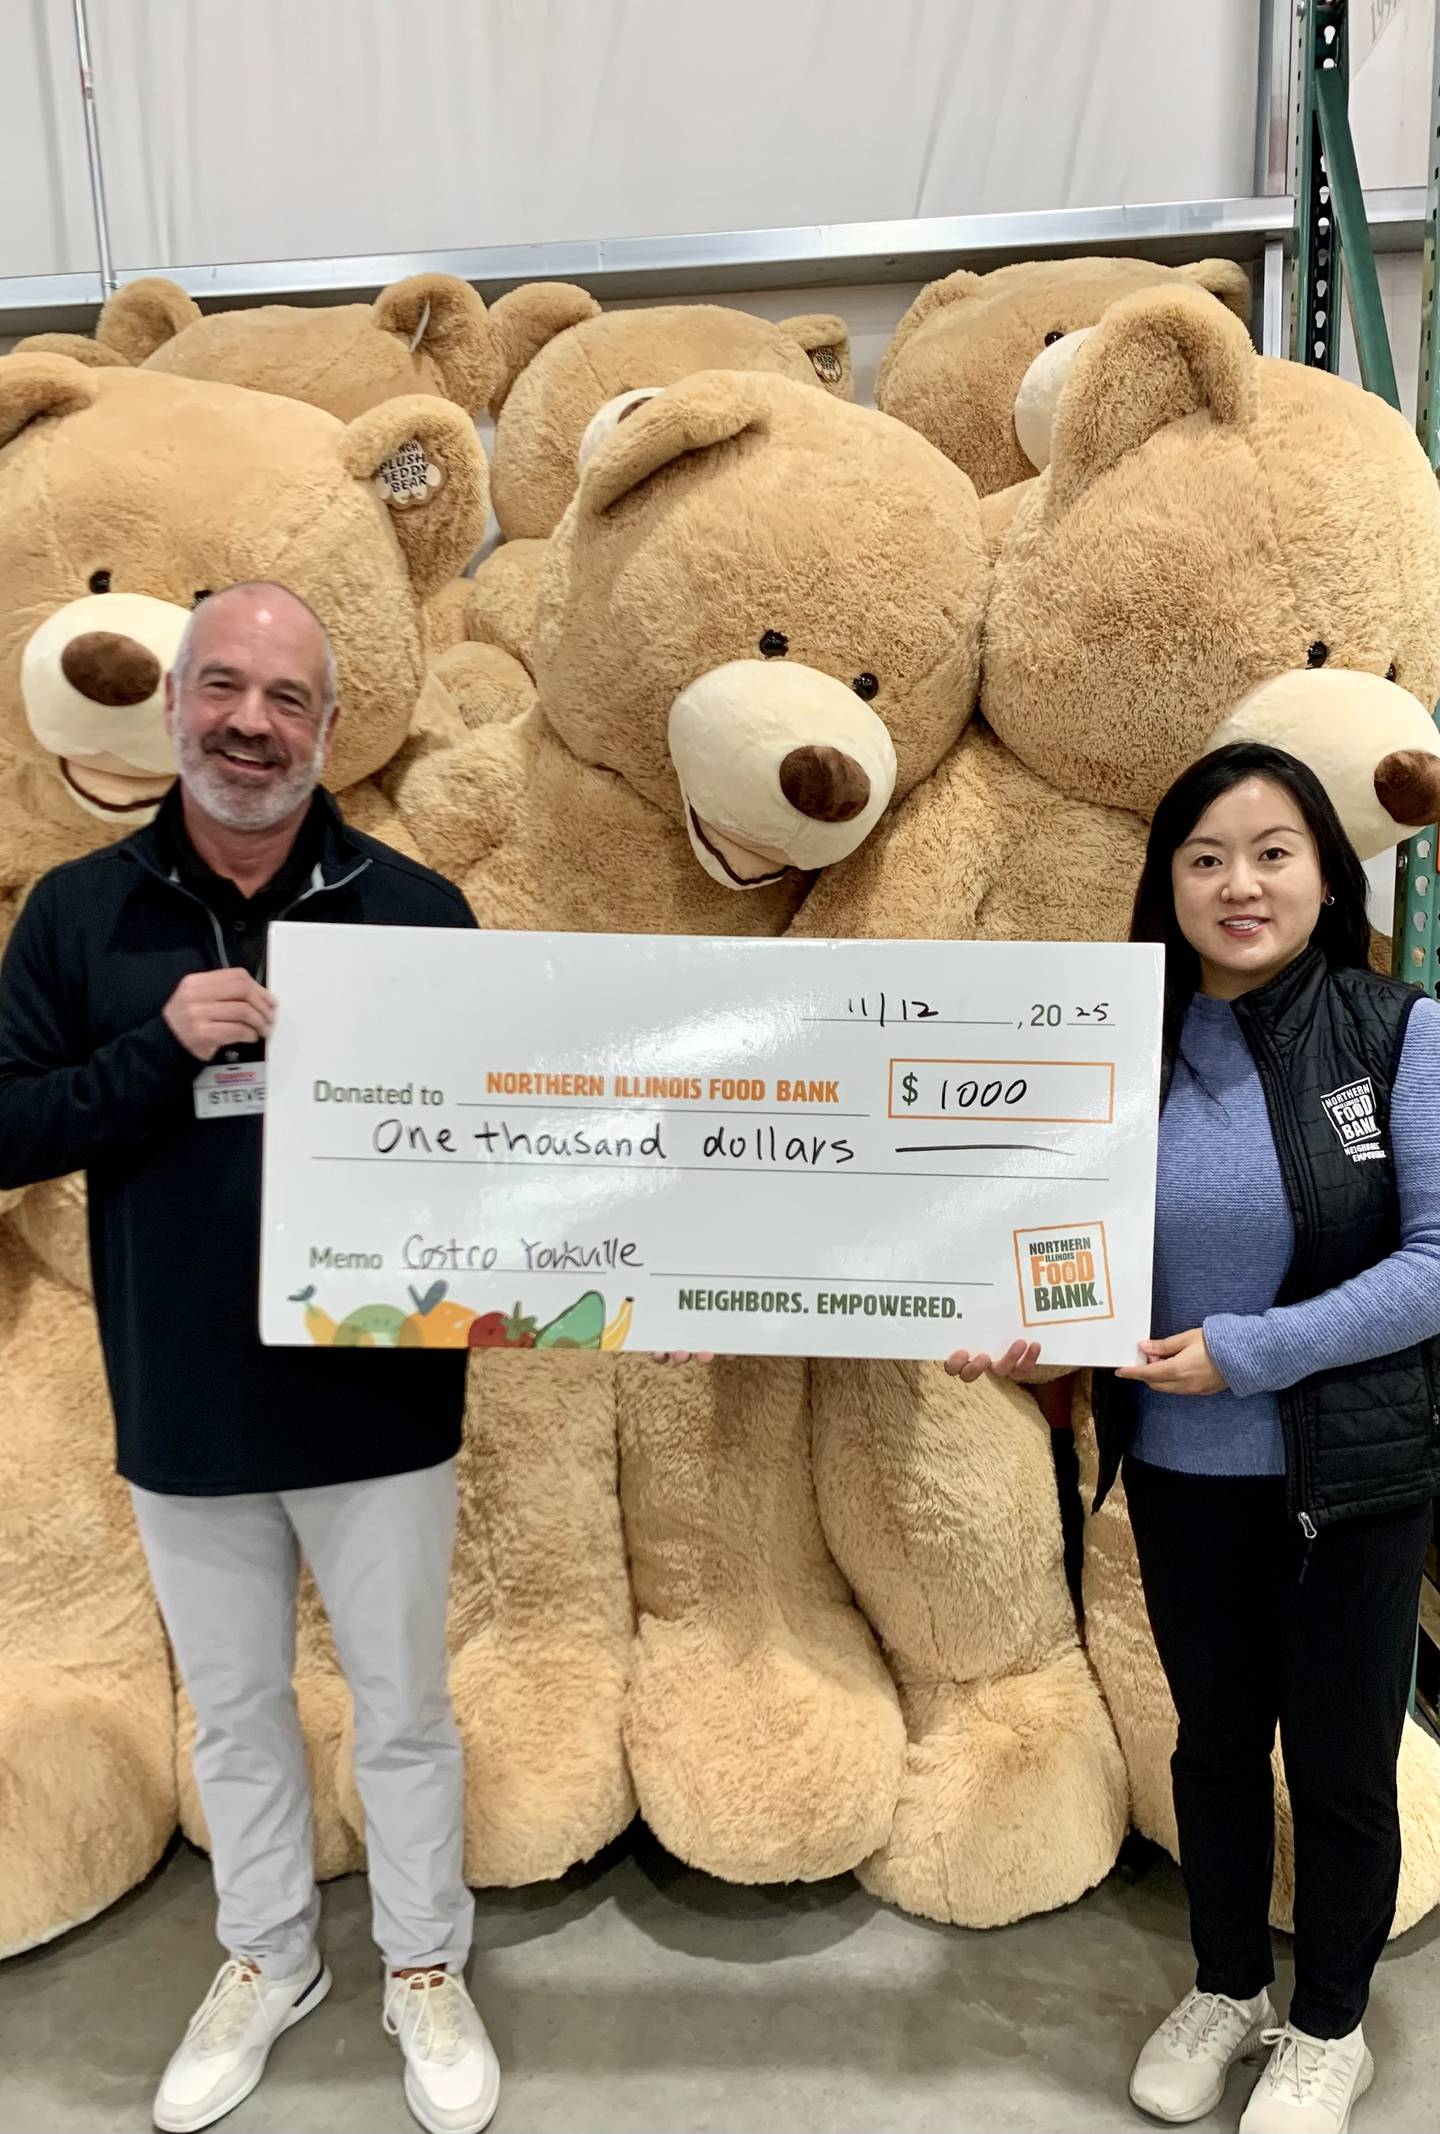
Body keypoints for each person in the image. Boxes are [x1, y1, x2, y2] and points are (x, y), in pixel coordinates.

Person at [0, 584, 499, 2134]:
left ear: (328, 727)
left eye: (288, 697)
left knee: (405, 1703)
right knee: (233, 1710)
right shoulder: (80, 913)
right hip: (183, 1396)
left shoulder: (416, 908)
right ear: (172, 707)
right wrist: (160, 1049)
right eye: (223, 686)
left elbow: (507, 1151)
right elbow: (9, 1123)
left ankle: (424, 1961)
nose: (250, 722)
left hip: (382, 1402)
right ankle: (267, 1951)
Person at [944, 741, 1440, 2134]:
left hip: (1349, 1479)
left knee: (1341, 1765)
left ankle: (1329, 2020)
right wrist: (1029, 1330)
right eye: (1206, 854)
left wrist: (1251, 1350)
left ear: (1327, 875)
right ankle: (1227, 1982)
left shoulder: (1398, 1031)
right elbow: (1076, 1258)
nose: (1240, 882)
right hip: (1176, 1473)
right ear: (1166, 880)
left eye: (1273, 850)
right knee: (1214, 1743)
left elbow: (1437, 1259)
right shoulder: (1118, 1048)